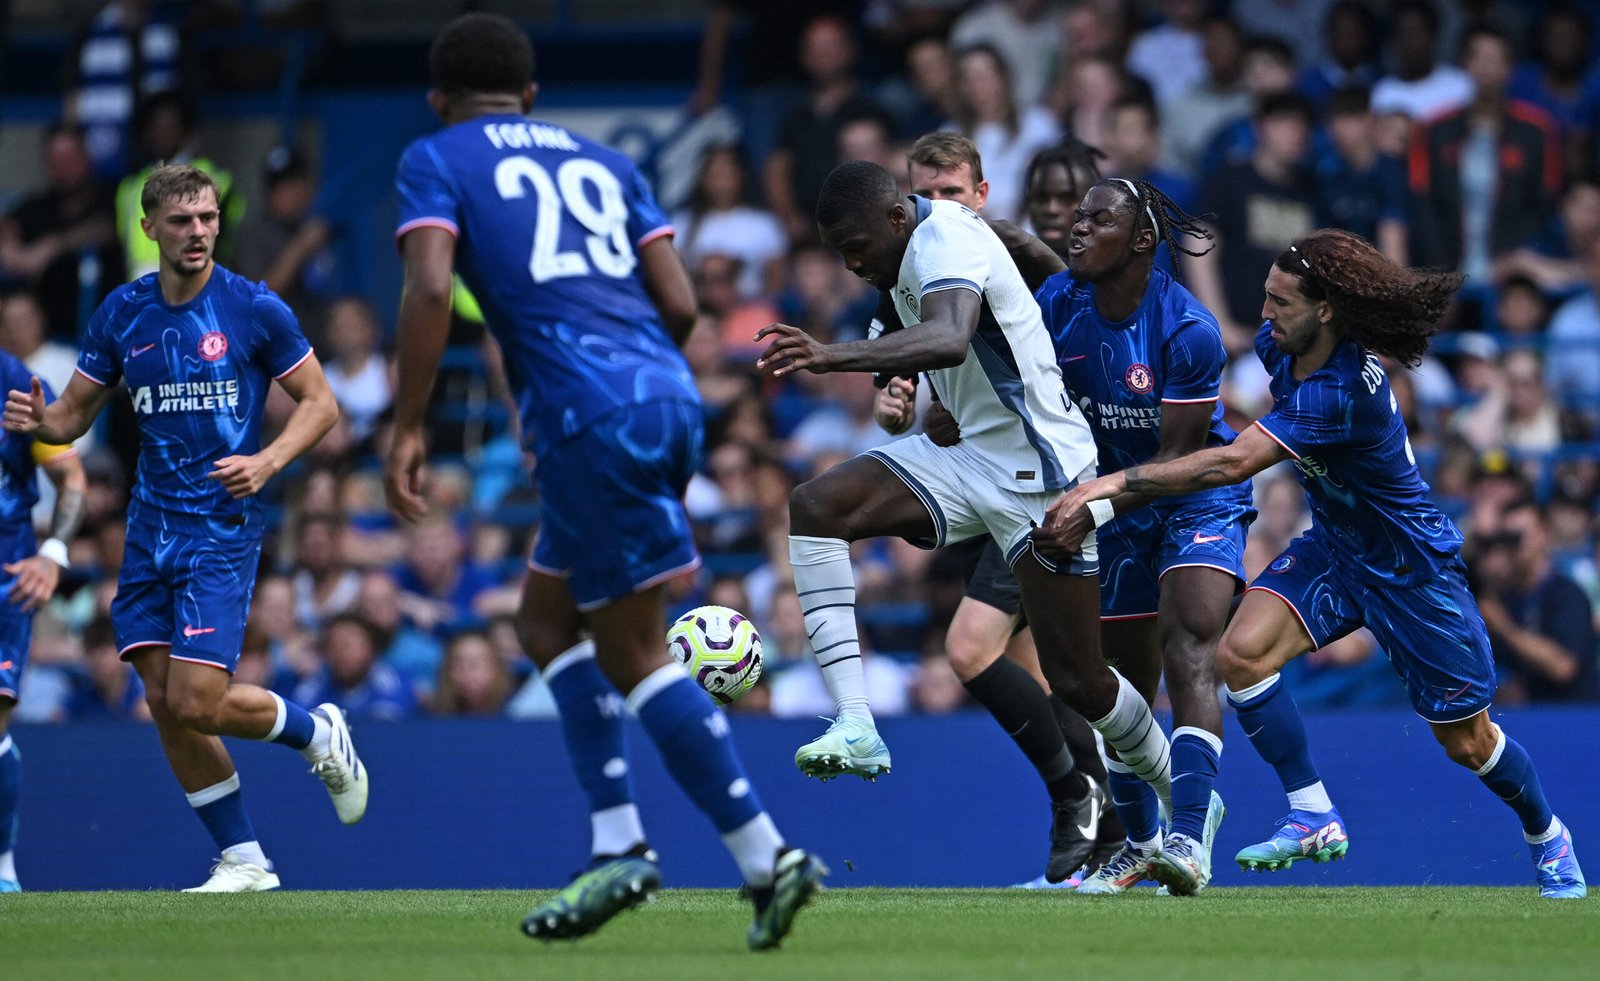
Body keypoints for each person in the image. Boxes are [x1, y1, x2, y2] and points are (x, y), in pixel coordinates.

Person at [385, 14, 824, 949]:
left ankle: (766, 855)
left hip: (591, 415)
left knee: (632, 650)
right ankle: (617, 841)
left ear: (440, 98)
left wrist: (409, 422)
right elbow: (678, 302)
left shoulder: (436, 156)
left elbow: (428, 290)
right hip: (664, 393)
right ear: (532, 94)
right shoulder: (604, 162)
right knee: (543, 621)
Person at [1050, 228, 1588, 899]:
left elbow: (1234, 461)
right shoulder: (1283, 349)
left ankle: (1548, 835)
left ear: (1326, 309)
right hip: (1337, 547)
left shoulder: (1342, 391)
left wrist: (1110, 485)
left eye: (1280, 301)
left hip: (1413, 572)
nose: (1266, 313)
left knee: (1469, 742)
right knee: (1239, 655)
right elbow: (1246, 427)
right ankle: (1313, 812)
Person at [755, 159, 1174, 866]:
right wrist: (899, 397)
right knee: (817, 505)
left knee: (1079, 680)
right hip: (968, 455)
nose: (852, 264)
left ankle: (1181, 793)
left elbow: (949, 337)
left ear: (896, 217)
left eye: (857, 246)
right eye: (839, 254)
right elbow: (924, 362)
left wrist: (830, 356)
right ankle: (856, 721)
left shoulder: (945, 240)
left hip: (1040, 472)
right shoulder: (901, 258)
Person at [1, 164, 364, 894]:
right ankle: (244, 859)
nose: (197, 231)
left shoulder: (255, 307)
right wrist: (42, 421)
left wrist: (265, 461)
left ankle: (317, 732)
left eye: (207, 218)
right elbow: (74, 416)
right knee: (164, 701)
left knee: (198, 699)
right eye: (181, 221)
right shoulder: (121, 314)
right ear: (149, 230)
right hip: (147, 528)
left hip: (219, 527)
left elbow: (322, 405)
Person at [875, 136, 1124, 888]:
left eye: (952, 194)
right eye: (927, 196)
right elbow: (907, 405)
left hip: (1052, 488)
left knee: (987, 652)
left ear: (981, 196)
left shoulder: (1048, 274)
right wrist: (906, 407)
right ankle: (1107, 841)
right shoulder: (919, 274)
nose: (939, 209)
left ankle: (1102, 811)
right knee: (1045, 674)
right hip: (992, 489)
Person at [0, 342, 87, 892]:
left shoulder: (13, 382)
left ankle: (3, 867)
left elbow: (72, 480)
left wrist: (52, 556)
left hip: (6, 576)